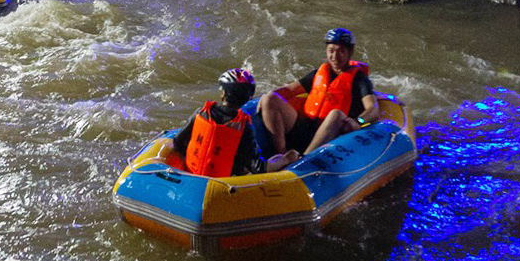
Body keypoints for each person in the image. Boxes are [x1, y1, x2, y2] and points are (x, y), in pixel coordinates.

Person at [259, 27, 380, 158]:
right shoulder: (319, 73)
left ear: (350, 52)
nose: (334, 56)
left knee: (336, 114)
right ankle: (281, 155)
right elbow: (290, 90)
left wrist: (358, 121)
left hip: (333, 133)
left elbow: (372, 108)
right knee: (270, 98)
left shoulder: (359, 79)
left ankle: (304, 159)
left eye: (341, 51)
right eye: (331, 51)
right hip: (306, 127)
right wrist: (265, 99)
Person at [160, 68, 296, 178]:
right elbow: (258, 168)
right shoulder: (242, 126)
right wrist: (286, 159)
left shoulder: (201, 113)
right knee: (277, 158)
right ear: (249, 97)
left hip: (191, 173)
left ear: (223, 93)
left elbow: (178, 143)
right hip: (224, 183)